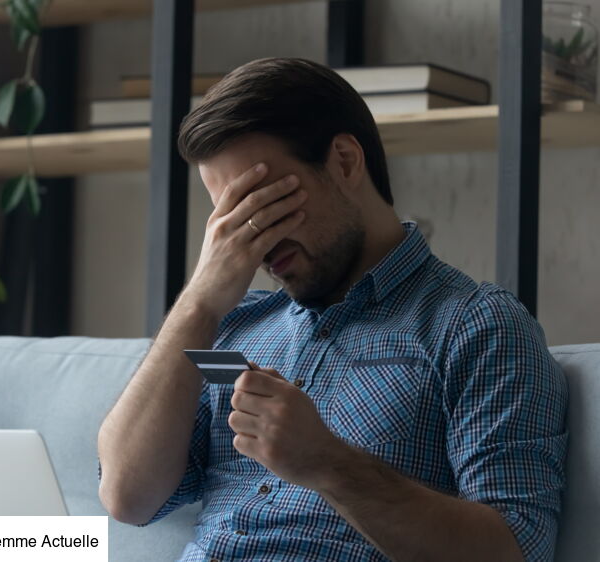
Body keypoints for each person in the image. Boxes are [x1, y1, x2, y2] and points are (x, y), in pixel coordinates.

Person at [97, 58, 567, 561]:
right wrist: (198, 301)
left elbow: (516, 548)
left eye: (262, 204)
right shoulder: (232, 326)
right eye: (230, 218)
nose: (253, 238)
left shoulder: (475, 325)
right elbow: (128, 497)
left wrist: (325, 462)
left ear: (344, 161)